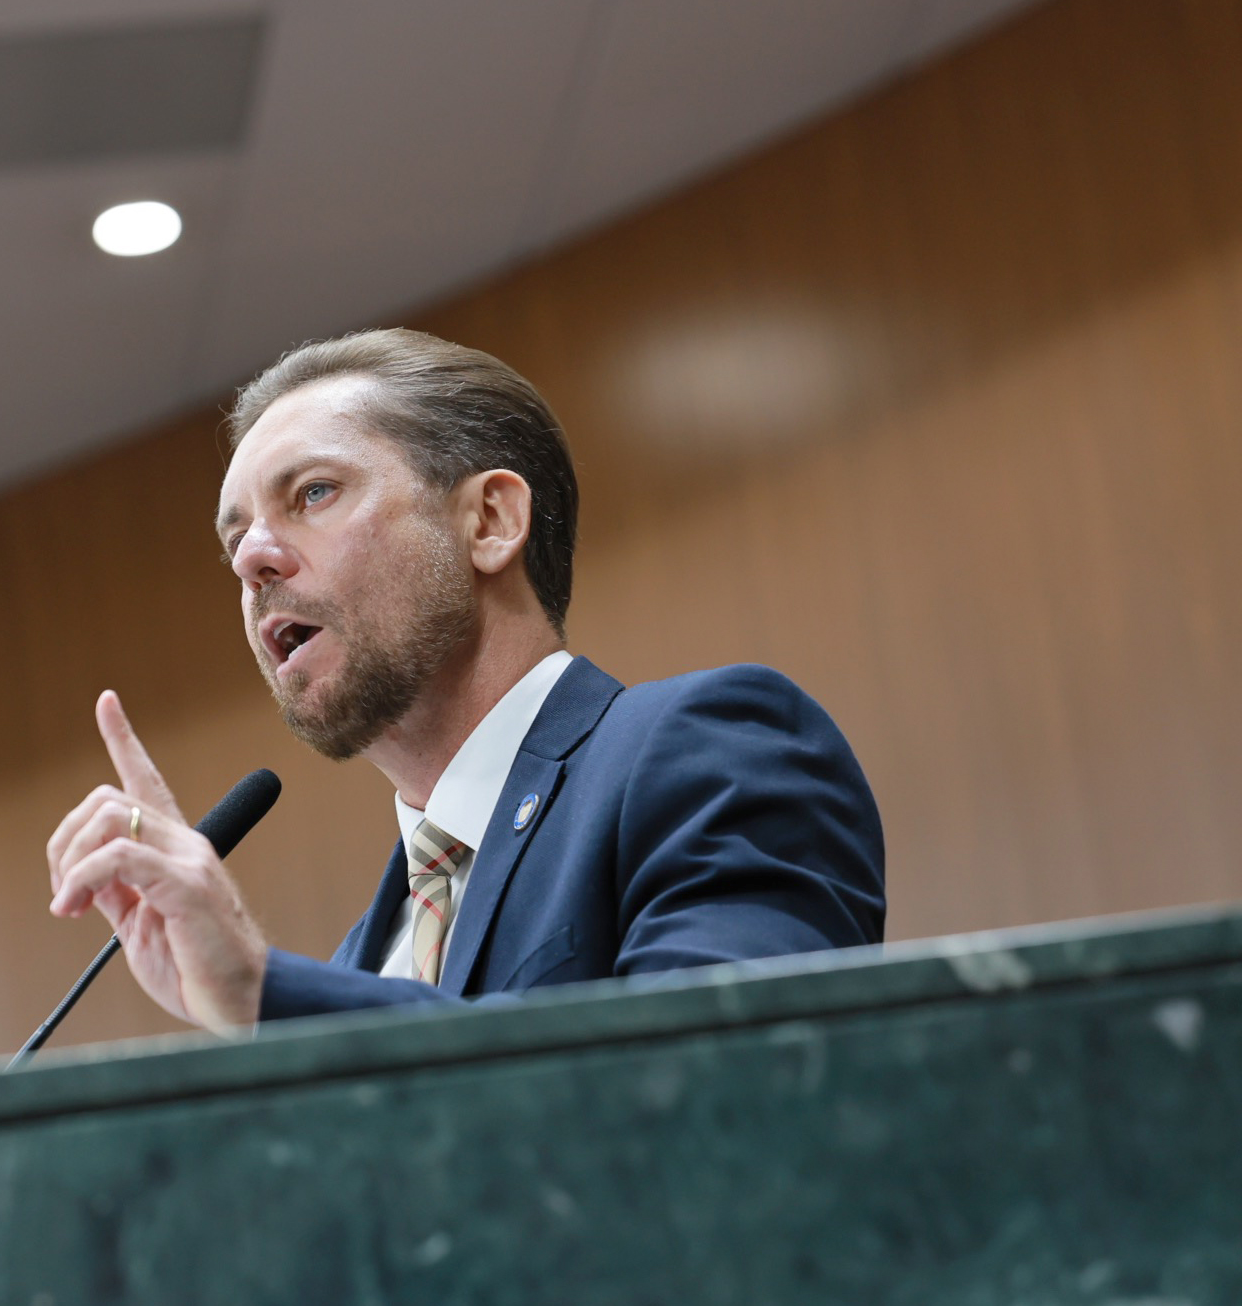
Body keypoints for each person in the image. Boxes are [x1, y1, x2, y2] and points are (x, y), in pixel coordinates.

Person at [45, 328, 884, 1033]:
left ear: (489, 521)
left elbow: (721, 1093)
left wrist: (264, 991)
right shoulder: (359, 962)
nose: (252, 560)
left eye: (314, 492)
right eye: (236, 541)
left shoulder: (712, 750)